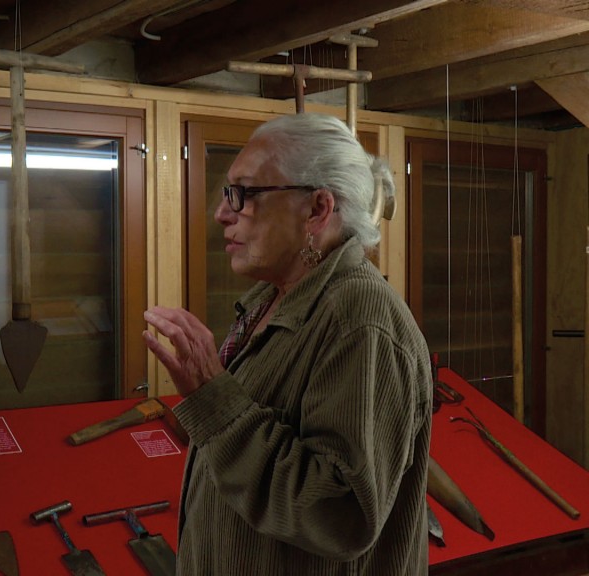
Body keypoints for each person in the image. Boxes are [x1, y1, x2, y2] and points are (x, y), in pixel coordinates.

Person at [143, 113, 432, 575]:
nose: (222, 213)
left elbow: (340, 516)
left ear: (317, 209)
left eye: (245, 194)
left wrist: (213, 400)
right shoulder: (276, 300)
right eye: (226, 193)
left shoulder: (358, 322)